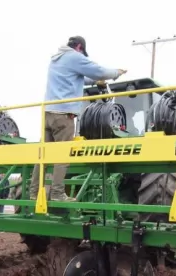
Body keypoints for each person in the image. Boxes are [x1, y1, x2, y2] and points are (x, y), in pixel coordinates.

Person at [29, 36, 127, 202]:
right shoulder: (74, 57)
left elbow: (81, 78)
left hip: (47, 114)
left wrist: (97, 81)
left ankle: (33, 193)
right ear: (80, 47)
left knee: (43, 157)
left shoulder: (56, 59)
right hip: (63, 115)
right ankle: (58, 194)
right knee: (62, 156)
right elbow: (99, 71)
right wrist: (116, 73)